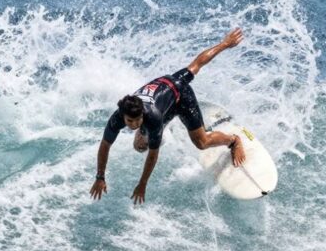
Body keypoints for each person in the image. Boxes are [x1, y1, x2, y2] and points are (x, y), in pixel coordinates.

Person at [90, 28, 246, 204]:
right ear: (123, 116)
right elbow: (105, 145)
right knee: (140, 146)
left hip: (181, 95)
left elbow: (197, 64)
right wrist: (100, 176)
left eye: (137, 121)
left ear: (143, 113)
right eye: (129, 121)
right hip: (162, 100)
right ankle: (167, 125)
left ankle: (233, 141)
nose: (132, 124)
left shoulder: (153, 117)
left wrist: (142, 184)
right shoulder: (118, 116)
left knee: (201, 143)